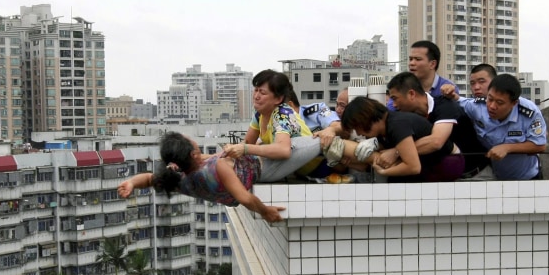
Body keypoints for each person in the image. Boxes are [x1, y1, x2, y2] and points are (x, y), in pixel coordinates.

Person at [118, 132, 286, 223]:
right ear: (193, 154)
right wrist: (265, 211)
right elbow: (245, 198)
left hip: (242, 174)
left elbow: (149, 179)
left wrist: (132, 182)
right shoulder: (216, 167)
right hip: (264, 166)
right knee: (300, 142)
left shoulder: (180, 180)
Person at [220, 69, 320, 181]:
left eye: (262, 93)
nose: (256, 96)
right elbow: (248, 143)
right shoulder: (259, 115)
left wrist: (245, 148)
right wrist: (232, 149)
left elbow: (283, 150)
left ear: (278, 99)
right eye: (256, 90)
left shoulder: (283, 113)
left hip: (313, 167)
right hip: (292, 167)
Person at [326, 97, 454, 182]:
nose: (358, 133)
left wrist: (384, 171)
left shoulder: (396, 124)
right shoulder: (385, 128)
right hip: (433, 164)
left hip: (447, 163)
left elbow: (413, 167)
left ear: (363, 120)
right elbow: (372, 163)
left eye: (356, 128)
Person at [381, 72, 472, 181]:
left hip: (468, 174)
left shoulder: (445, 106)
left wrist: (396, 152)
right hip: (438, 171)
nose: (394, 105)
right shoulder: (407, 116)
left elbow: (436, 142)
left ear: (411, 94)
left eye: (395, 98)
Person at [458, 74, 547, 180]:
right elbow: (454, 102)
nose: (492, 106)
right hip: (495, 177)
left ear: (514, 103)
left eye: (499, 103)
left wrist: (507, 148)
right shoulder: (477, 107)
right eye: (490, 99)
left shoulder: (529, 113)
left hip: (527, 177)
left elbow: (540, 145)